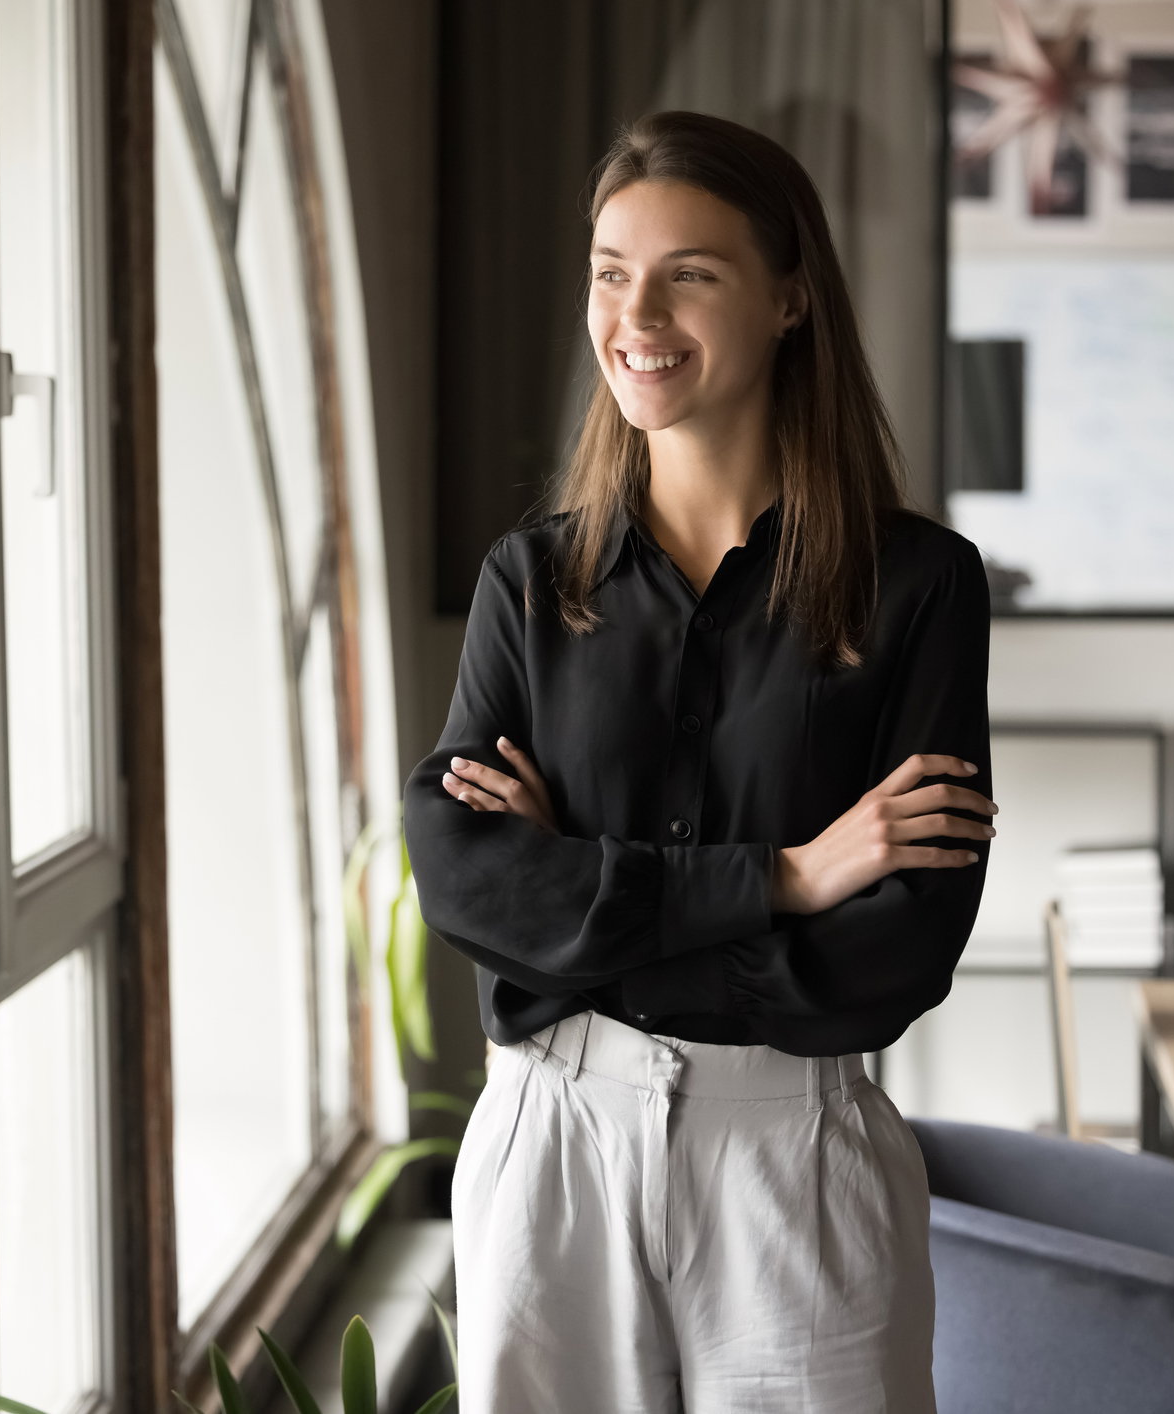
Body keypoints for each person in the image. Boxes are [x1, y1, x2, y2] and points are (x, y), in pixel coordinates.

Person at [403, 109, 995, 1414]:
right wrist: (787, 875)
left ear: (790, 299)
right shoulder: (531, 580)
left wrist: (589, 895)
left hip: (798, 1151)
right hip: (553, 1142)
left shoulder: (920, 589)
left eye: (692, 272)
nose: (638, 310)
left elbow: (905, 942)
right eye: (612, 270)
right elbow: (466, 883)